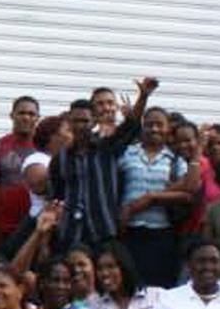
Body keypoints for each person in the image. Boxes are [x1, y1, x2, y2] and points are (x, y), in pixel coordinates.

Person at [50, 78, 157, 254]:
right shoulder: (60, 159)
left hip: (104, 233)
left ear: (93, 121)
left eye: (85, 121)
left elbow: (130, 127)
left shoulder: (107, 147)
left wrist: (143, 96)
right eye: (76, 121)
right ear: (69, 122)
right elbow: (55, 197)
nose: (80, 126)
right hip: (70, 236)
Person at [117, 107, 192, 288]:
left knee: (159, 288)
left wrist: (152, 198)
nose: (154, 129)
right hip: (129, 232)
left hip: (162, 235)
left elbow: (187, 194)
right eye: (149, 124)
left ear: (168, 129)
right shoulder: (127, 153)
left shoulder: (175, 160)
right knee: (130, 285)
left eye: (159, 124)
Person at [0, 96, 42, 241]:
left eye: (31, 114)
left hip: (37, 226)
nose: (26, 118)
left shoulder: (45, 148)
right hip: (3, 228)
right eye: (21, 113)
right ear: (12, 115)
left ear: (38, 118)